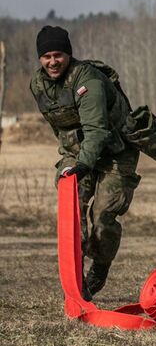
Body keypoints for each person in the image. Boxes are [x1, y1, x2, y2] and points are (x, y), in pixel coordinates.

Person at [30, 26, 142, 301]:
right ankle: (76, 283)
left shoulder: (88, 81)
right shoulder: (38, 85)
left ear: (68, 54)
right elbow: (62, 129)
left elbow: (96, 130)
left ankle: (100, 267)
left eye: (58, 54)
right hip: (78, 152)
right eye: (46, 56)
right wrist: (72, 160)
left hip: (115, 152)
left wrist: (83, 164)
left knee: (103, 217)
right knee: (72, 214)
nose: (52, 61)